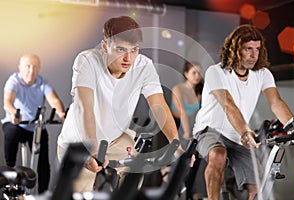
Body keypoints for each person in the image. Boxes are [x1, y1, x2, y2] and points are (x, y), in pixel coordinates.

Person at [57, 15, 180, 192]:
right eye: (121, 49)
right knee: (79, 195)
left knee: (134, 172)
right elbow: (85, 107)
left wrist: (175, 145)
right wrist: (92, 148)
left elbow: (158, 105)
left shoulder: (143, 66)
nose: (128, 58)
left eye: (134, 49)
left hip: (115, 140)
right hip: (79, 142)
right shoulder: (87, 61)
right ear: (105, 46)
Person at [192, 24, 294, 200]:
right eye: (248, 49)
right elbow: (228, 105)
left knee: (257, 188)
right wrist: (245, 131)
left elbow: (276, 102)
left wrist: (292, 125)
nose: (254, 55)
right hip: (210, 130)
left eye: (257, 49)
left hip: (238, 136)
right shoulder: (216, 72)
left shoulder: (263, 74)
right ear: (235, 49)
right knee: (218, 154)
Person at [1, 53, 65, 193]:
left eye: (35, 67)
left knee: (43, 162)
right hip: (16, 123)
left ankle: (43, 193)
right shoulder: (14, 81)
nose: (31, 70)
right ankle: (9, 175)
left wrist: (61, 113)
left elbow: (53, 100)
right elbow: (7, 102)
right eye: (28, 66)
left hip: (34, 126)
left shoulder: (42, 83)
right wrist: (13, 113)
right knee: (12, 132)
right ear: (20, 68)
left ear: (39, 69)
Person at [170, 61, 203, 149]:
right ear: (186, 74)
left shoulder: (201, 91)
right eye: (194, 73)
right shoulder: (178, 89)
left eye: (199, 73)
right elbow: (182, 112)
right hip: (177, 124)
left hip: (193, 122)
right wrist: (187, 132)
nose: (197, 76)